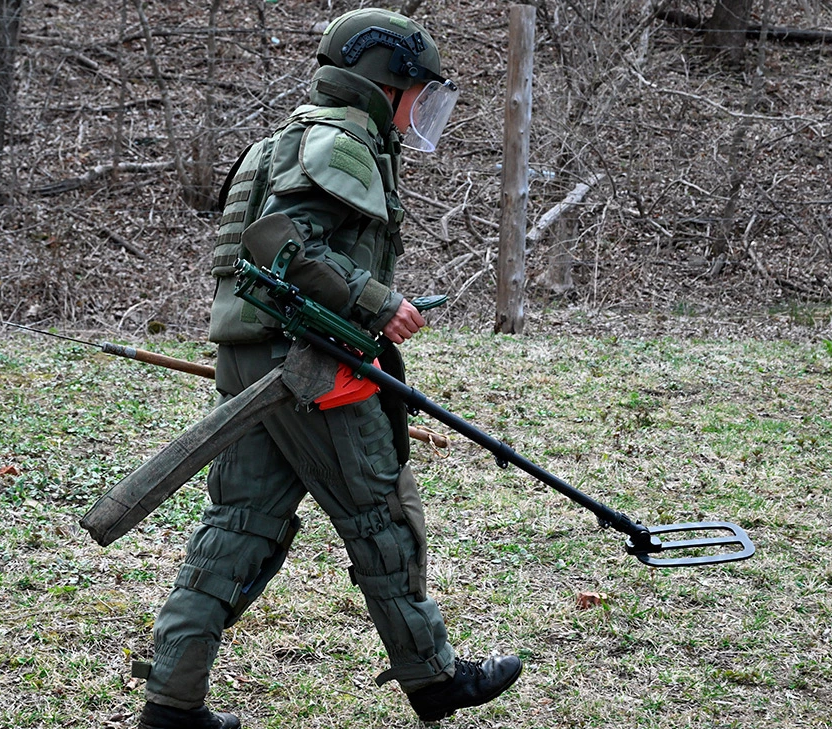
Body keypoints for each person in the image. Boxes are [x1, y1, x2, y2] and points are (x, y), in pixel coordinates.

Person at [136, 9, 521, 728]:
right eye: (418, 93)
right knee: (382, 517)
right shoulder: (340, 140)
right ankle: (434, 677)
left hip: (254, 355)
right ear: (385, 82)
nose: (419, 111)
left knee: (239, 526)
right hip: (307, 365)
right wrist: (378, 301)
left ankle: (172, 703)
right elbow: (284, 245)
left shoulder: (288, 136)